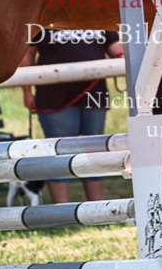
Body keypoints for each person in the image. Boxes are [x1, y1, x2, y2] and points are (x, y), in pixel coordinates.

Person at [21, 28, 124, 203]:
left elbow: (114, 46)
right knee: (59, 151)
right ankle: (62, 211)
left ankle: (97, 209)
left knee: (96, 151)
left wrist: (122, 57)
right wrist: (27, 90)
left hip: (93, 92)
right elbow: (28, 53)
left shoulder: (96, 14)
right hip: (54, 95)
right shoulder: (45, 16)